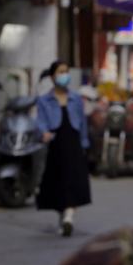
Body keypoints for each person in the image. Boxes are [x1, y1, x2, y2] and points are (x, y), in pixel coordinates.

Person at [36, 61, 91, 237]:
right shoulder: (44, 100)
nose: (64, 75)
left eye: (66, 71)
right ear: (52, 76)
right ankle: (63, 216)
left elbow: (82, 123)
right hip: (55, 144)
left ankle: (68, 216)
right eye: (61, 72)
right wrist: (43, 132)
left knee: (74, 180)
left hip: (73, 143)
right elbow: (41, 122)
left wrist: (84, 144)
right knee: (58, 182)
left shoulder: (76, 99)